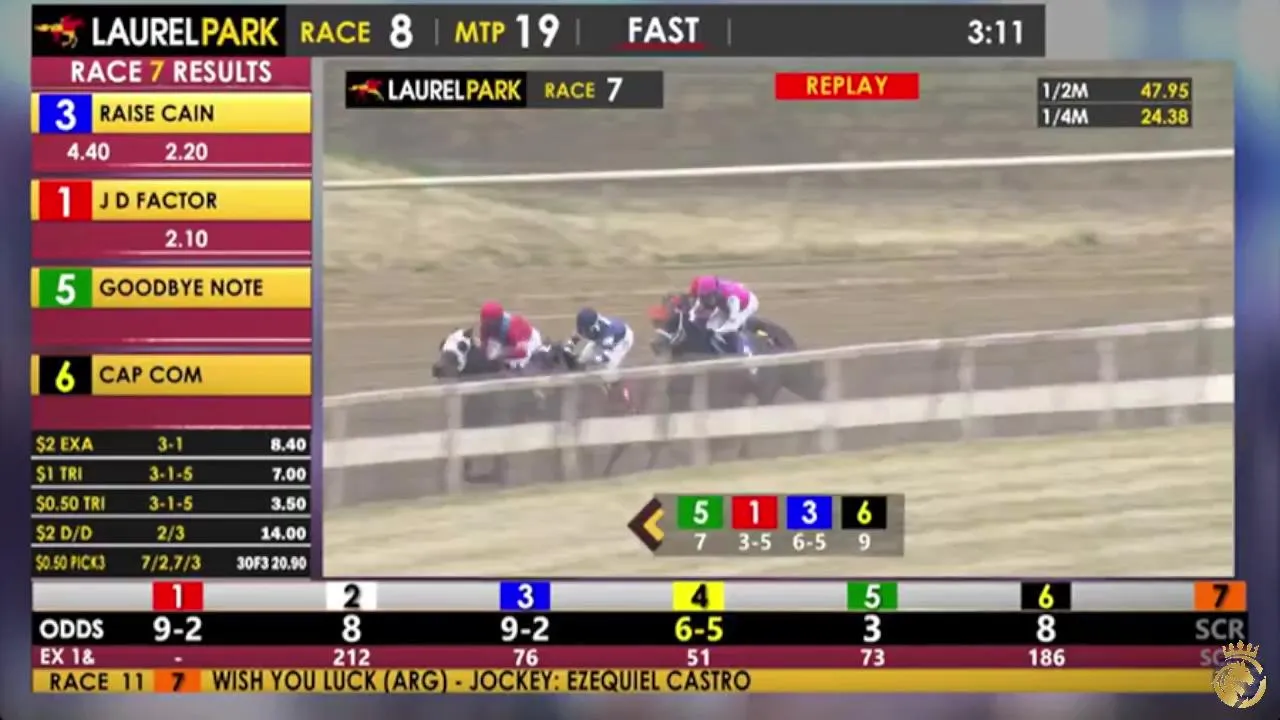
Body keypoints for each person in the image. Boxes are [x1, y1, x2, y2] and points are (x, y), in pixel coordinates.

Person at [688, 275, 760, 356]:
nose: (705, 300)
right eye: (704, 297)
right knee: (710, 326)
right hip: (725, 307)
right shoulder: (710, 294)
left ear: (715, 293)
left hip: (746, 305)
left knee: (729, 328)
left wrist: (719, 331)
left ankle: (745, 350)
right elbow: (693, 313)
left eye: (708, 297)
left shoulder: (731, 298)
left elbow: (733, 319)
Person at [478, 301, 542, 371]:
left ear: (498, 320)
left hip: (529, 341)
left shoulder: (515, 325)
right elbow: (484, 348)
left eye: (489, 324)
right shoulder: (485, 327)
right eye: (485, 323)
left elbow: (522, 352)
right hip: (507, 341)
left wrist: (500, 354)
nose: (487, 327)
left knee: (516, 365)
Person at [573, 308, 635, 374]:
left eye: (585, 330)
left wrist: (593, 361)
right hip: (603, 337)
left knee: (607, 371)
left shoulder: (607, 336)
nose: (583, 332)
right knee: (583, 358)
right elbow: (577, 336)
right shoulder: (591, 327)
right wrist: (569, 348)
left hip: (621, 341)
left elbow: (605, 357)